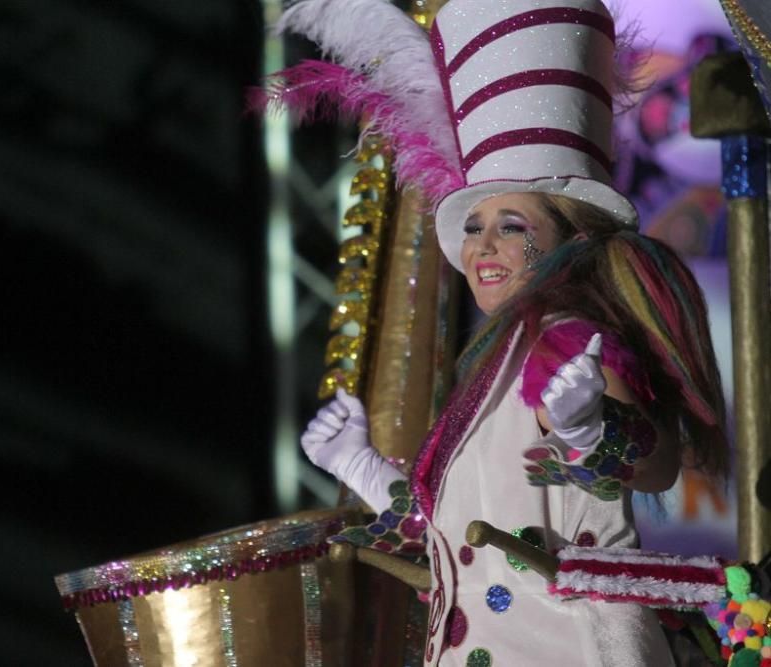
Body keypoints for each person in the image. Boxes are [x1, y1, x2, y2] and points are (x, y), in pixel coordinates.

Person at [264, 0, 730, 664]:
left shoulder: (570, 338)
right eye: (476, 226)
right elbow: (457, 536)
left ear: (569, 234)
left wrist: (595, 430)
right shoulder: (497, 367)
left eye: (511, 225)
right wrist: (360, 466)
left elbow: (654, 465)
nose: (482, 246)